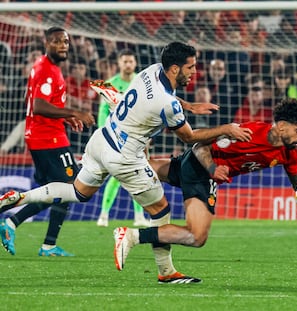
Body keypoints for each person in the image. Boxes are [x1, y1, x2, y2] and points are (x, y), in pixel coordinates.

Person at [0, 41, 252, 283]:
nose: (194, 72)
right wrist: (226, 129)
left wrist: (188, 105)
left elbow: (168, 99)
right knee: (161, 210)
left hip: (102, 140)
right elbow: (190, 138)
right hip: (124, 157)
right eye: (191, 67)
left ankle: (18, 198)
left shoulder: (152, 70)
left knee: (77, 192)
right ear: (175, 69)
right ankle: (166, 271)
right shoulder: (168, 103)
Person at [112, 98, 297, 279]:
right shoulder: (249, 134)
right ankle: (132, 236)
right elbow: (199, 147)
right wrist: (213, 169)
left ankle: (133, 125)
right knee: (196, 236)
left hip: (200, 171)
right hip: (201, 170)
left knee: (144, 167)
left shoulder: (288, 150)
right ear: (282, 126)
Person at [0, 26, 95, 256]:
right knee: (70, 188)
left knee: (57, 191)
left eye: (66, 42)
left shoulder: (48, 67)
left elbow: (39, 101)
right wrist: (76, 112)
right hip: (47, 138)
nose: (63, 45)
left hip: (46, 135)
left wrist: (67, 116)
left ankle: (41, 241)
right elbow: (40, 106)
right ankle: (18, 222)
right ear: (47, 43)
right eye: (57, 41)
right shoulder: (46, 70)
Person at [96, 49, 150, 228]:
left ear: (135, 63)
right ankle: (104, 215)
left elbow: (145, 109)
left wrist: (146, 134)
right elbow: (103, 111)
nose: (128, 64)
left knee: (137, 173)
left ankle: (139, 216)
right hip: (115, 137)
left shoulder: (140, 82)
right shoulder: (110, 84)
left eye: (130, 61)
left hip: (136, 136)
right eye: (124, 61)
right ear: (119, 63)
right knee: (116, 175)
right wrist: (104, 133)